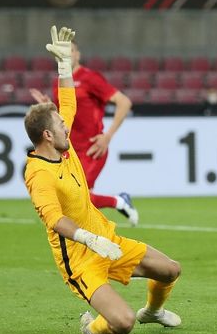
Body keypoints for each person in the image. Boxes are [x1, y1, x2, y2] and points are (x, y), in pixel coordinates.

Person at [24, 25, 181, 334]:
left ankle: (152, 311)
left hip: (107, 239)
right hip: (82, 260)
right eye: (61, 126)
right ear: (47, 135)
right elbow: (54, 219)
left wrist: (63, 66)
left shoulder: (61, 149)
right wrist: (88, 239)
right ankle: (90, 328)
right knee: (122, 323)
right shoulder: (37, 173)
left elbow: (67, 103)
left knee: (170, 270)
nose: (68, 128)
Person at [30, 39, 139, 225]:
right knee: (72, 198)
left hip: (92, 148)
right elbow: (66, 114)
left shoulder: (90, 78)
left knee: (79, 197)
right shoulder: (61, 82)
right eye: (64, 51)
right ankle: (119, 202)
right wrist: (49, 106)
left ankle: (115, 209)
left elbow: (124, 102)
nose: (67, 54)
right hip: (70, 150)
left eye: (70, 50)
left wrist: (108, 136)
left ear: (78, 54)